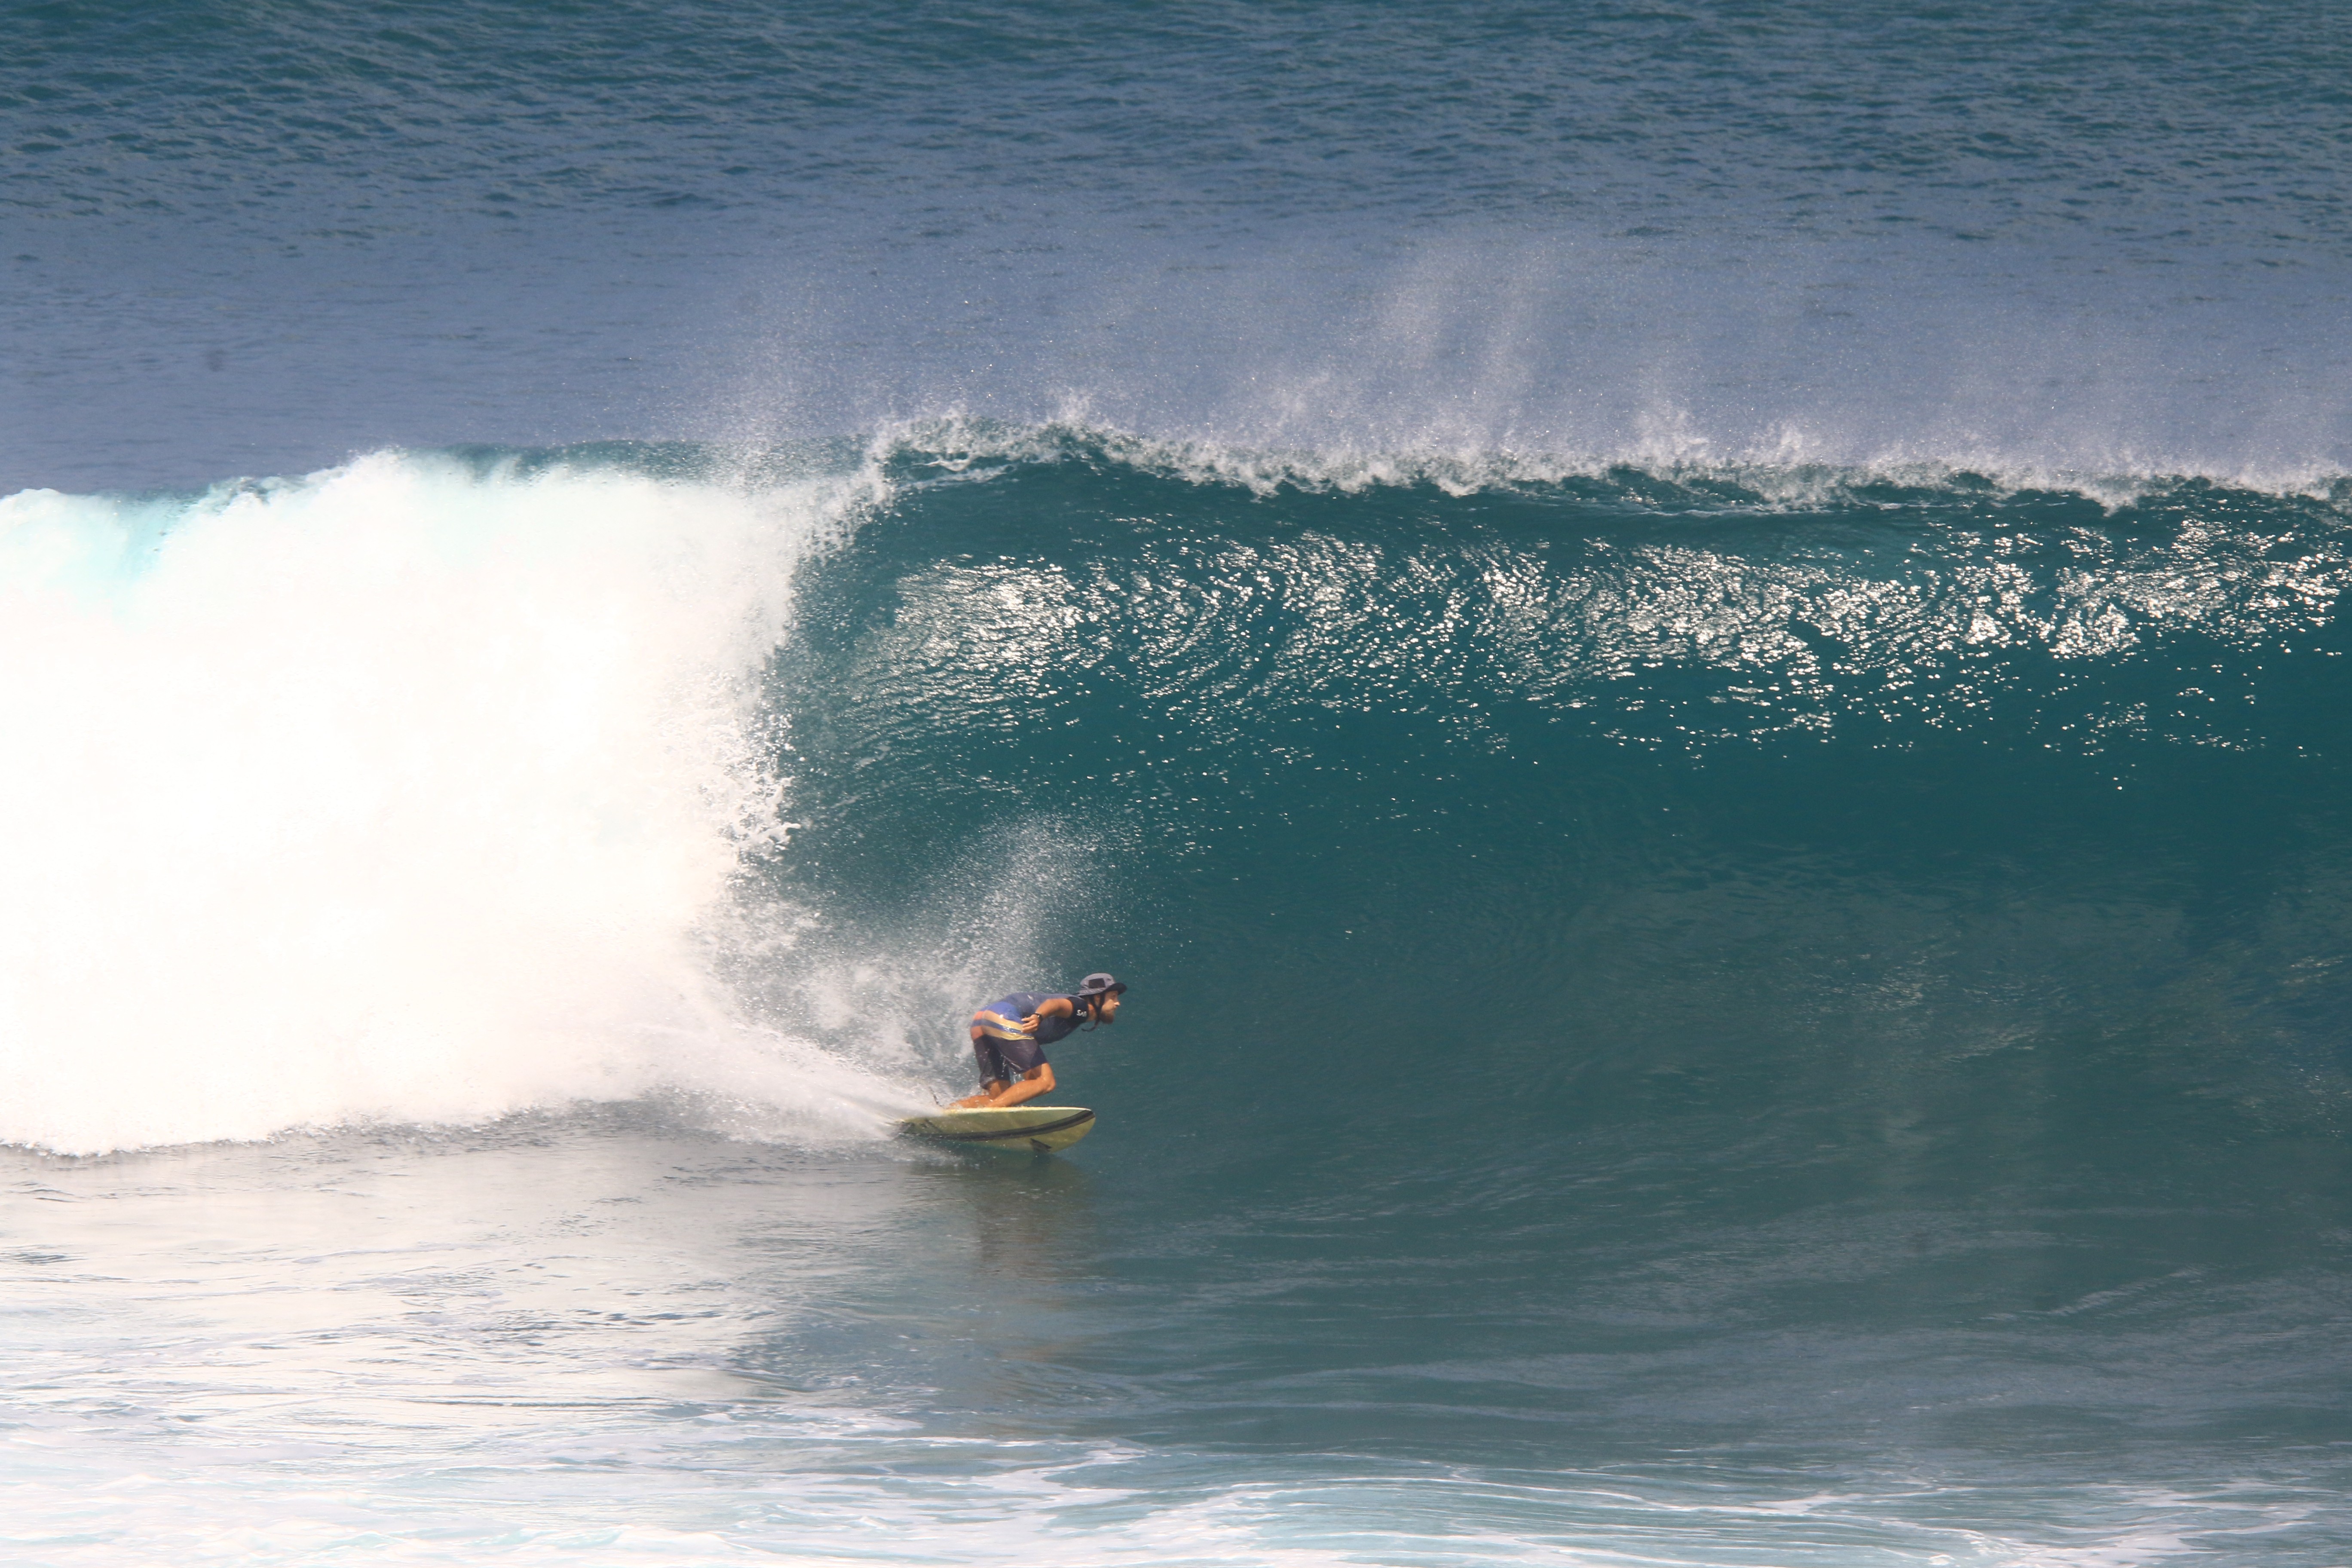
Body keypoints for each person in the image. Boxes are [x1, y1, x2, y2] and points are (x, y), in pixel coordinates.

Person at [953, 972, 1127, 1109]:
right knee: (1046, 1082)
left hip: (982, 1020)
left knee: (998, 1095)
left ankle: (944, 1114)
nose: (1117, 1003)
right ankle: (989, 1115)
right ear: (1097, 997)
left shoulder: (1079, 1010)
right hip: (1004, 1017)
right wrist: (1038, 1017)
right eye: (1113, 997)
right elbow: (1056, 1004)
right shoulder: (1081, 1007)